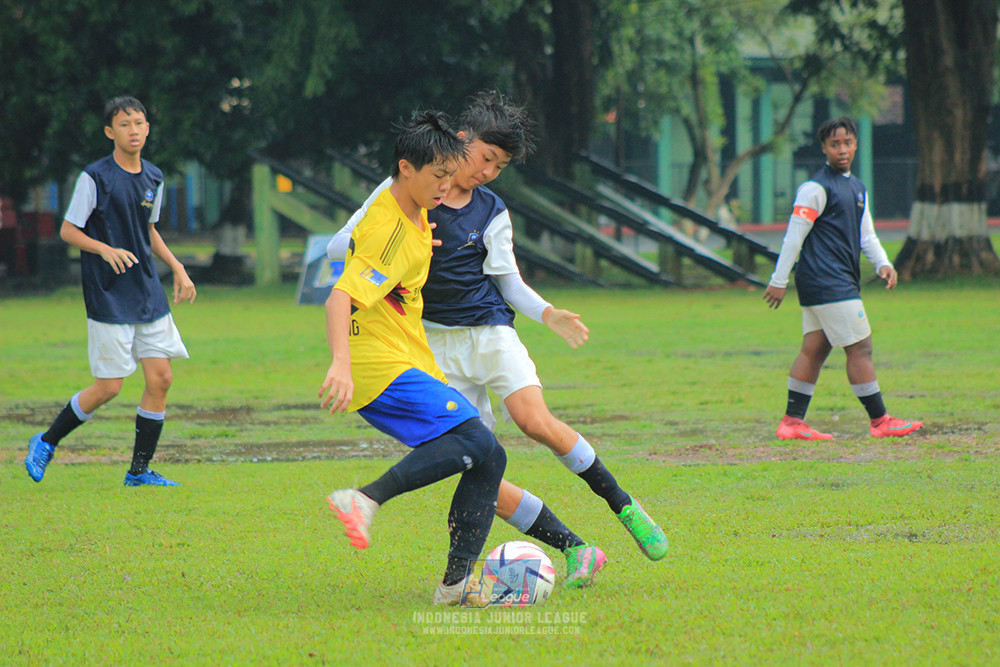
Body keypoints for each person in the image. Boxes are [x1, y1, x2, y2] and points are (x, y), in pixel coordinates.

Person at [328, 91, 667, 573]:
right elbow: (338, 249)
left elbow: (507, 279)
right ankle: (573, 549)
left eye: (499, 166)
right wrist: (397, 234)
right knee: (477, 459)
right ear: (462, 140)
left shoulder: (491, 209)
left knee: (535, 421)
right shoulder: (406, 190)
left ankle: (624, 505)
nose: (487, 171)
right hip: (430, 345)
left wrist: (547, 313)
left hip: (489, 332)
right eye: (486, 158)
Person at [320, 110, 508, 606]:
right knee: (474, 438)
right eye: (439, 176)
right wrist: (340, 362)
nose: (447, 187)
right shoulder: (393, 231)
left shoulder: (414, 210)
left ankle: (455, 586)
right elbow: (340, 296)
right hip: (376, 363)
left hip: (404, 355)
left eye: (452, 174)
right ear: (406, 168)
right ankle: (364, 498)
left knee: (489, 453)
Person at [24, 96, 196, 487]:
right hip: (109, 292)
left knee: (161, 378)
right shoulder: (95, 177)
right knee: (110, 387)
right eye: (124, 124)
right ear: (110, 132)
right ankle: (46, 440)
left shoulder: (154, 176)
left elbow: (148, 230)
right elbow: (69, 230)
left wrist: (178, 267)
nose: (133, 130)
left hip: (147, 290)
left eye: (139, 123)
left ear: (148, 128)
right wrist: (104, 249)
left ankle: (138, 472)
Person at [763, 116, 923, 440]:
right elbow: (794, 236)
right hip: (828, 281)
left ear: (855, 144)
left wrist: (883, 263)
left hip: (832, 281)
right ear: (824, 147)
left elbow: (867, 235)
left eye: (847, 143)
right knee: (860, 347)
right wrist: (779, 280)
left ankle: (791, 423)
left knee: (815, 349)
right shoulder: (814, 189)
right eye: (834, 144)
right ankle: (880, 421)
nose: (842, 149)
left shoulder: (856, 187)